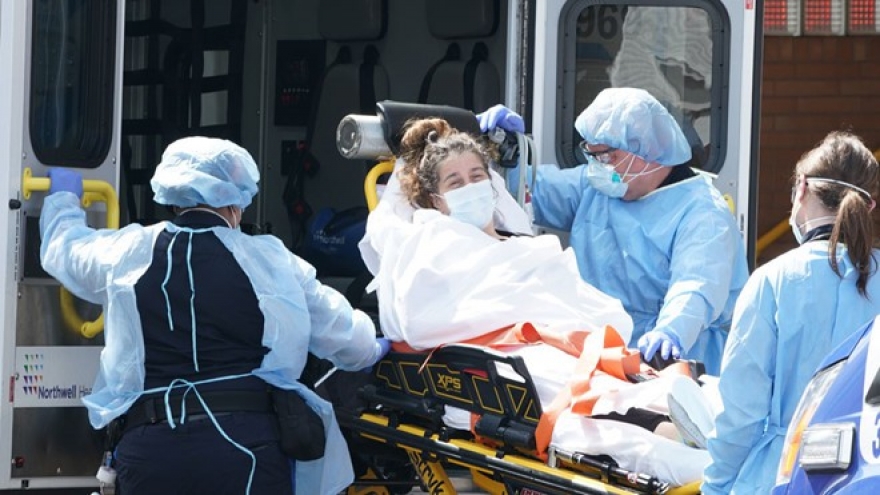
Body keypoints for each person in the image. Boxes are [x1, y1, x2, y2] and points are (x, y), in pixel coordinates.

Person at [359, 117, 717, 486]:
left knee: (627, 378)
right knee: (574, 388)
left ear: (492, 185)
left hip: (567, 341)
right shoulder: (435, 241)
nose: (470, 187)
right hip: (512, 351)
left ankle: (688, 421)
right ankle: (680, 435)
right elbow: (416, 317)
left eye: (477, 176)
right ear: (436, 200)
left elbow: (576, 299)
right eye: (455, 182)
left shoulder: (524, 247)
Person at [39, 137, 390, 495]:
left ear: (174, 194)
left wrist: (64, 200)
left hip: (151, 450)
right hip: (246, 450)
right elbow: (345, 336)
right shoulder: (271, 259)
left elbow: (64, 250)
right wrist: (375, 345)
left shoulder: (128, 250)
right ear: (236, 199)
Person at [477, 87, 749, 375]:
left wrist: (671, 332)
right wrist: (496, 151)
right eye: (592, 155)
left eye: (607, 156)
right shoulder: (599, 186)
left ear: (647, 150)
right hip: (596, 350)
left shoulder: (703, 214)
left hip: (668, 362)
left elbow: (696, 287)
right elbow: (527, 190)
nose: (599, 167)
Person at [702, 130, 880, 494]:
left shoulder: (772, 281)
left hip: (782, 475)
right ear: (869, 206)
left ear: (801, 189)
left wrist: (716, 485)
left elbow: (741, 414)